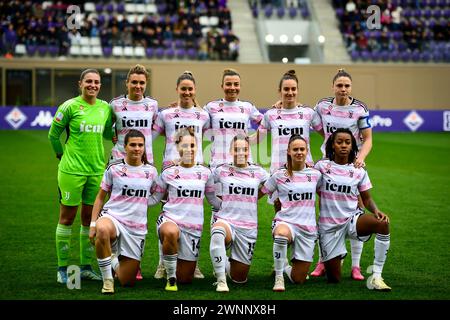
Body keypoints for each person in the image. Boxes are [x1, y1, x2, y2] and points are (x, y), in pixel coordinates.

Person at [48, 68, 113, 284]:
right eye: (89, 82)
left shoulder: (105, 108)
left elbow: (105, 133)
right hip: (71, 171)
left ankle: (85, 267)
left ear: (100, 85)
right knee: (67, 218)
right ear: (80, 84)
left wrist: (116, 133)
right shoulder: (69, 106)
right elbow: (53, 135)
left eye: (96, 82)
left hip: (96, 171)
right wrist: (61, 155)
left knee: (89, 219)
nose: (93, 85)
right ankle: (62, 268)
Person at [310, 68, 372, 281]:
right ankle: (322, 260)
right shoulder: (322, 105)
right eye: (339, 85)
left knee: (356, 209)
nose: (343, 89)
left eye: (346, 86)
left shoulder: (360, 109)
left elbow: (368, 138)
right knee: (325, 210)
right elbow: (316, 125)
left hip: (351, 165)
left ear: (351, 88)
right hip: (327, 165)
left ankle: (356, 266)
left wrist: (360, 158)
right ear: (333, 87)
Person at [315, 128, 391, 291]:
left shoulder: (358, 170)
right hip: (329, 227)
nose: (344, 145)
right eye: (339, 142)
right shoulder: (321, 167)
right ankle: (337, 254)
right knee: (334, 279)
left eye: (347, 142)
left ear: (352, 146)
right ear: (332, 145)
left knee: (382, 224)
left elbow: (367, 198)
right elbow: (308, 187)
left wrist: (376, 210)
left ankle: (377, 276)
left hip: (352, 220)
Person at [152, 71, 210, 280]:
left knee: (195, 215)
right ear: (177, 90)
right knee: (167, 215)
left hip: (196, 170)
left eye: (190, 89)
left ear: (194, 91)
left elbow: (216, 133)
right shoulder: (166, 114)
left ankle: (193, 264)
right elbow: (149, 137)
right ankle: (161, 264)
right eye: (183, 88)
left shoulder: (203, 115)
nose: (186, 92)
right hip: (171, 169)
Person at [147, 127, 220, 291]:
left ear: (197, 147)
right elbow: (155, 199)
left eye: (192, 146)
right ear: (177, 147)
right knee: (170, 232)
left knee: (186, 278)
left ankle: (173, 265)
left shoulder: (205, 172)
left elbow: (213, 200)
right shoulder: (168, 172)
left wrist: (235, 204)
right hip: (170, 219)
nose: (189, 150)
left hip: (193, 228)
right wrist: (132, 199)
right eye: (184, 146)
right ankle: (170, 278)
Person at [89, 130, 158, 294]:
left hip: (135, 228)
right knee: (103, 229)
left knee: (127, 281)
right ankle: (107, 281)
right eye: (132, 145)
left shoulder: (152, 172)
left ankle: (112, 258)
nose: (137, 148)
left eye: (140, 145)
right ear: (125, 147)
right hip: (113, 217)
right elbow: (100, 198)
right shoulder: (114, 168)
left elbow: (160, 195)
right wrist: (93, 225)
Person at [109, 64, 158, 281]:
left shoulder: (153, 105)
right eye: (134, 82)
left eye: (141, 83)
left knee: (139, 217)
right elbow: (106, 127)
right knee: (116, 213)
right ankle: (114, 257)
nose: (137, 86)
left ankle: (133, 262)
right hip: (119, 167)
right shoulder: (116, 105)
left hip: (143, 168)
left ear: (145, 84)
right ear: (127, 83)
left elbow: (162, 126)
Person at [261, 135, 322, 292]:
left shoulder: (315, 175)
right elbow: (259, 193)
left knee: (298, 279)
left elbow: (327, 195)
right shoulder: (279, 175)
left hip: (307, 229)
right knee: (281, 234)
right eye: (295, 149)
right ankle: (279, 277)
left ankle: (285, 266)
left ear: (307, 151)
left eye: (302, 149)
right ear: (288, 151)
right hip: (286, 222)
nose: (299, 152)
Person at [210, 134, 269, 292]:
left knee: (239, 279)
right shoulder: (222, 170)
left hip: (248, 227)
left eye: (244, 149)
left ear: (249, 151)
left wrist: (257, 196)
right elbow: (204, 183)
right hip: (226, 220)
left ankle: (222, 260)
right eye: (237, 149)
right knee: (217, 231)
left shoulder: (258, 171)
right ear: (231, 151)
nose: (241, 152)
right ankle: (221, 279)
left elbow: (274, 184)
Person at [258, 70, 322, 212]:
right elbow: (257, 139)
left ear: (298, 90)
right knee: (280, 212)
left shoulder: (308, 113)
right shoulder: (271, 115)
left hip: (305, 169)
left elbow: (328, 135)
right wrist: (235, 139)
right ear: (279, 91)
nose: (290, 92)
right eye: (286, 89)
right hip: (279, 170)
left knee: (305, 209)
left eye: (293, 89)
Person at [204, 68, 264, 169]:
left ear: (240, 86)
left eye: (236, 84)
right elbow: (195, 120)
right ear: (222, 86)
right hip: (219, 164)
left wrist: (252, 139)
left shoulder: (247, 106)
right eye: (228, 84)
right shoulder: (211, 107)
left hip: (243, 163)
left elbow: (267, 122)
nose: (232, 87)